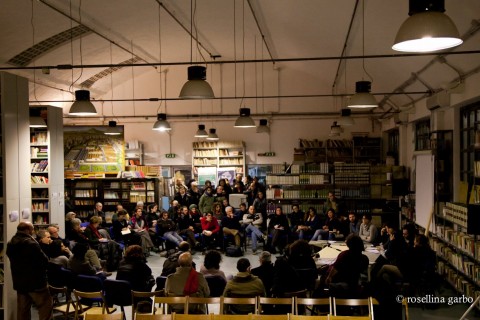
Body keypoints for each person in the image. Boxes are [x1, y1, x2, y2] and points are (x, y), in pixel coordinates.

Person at [6, 221, 53, 320]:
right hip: (36, 283)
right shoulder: (31, 243)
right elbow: (44, 260)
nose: (33, 232)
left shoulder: (11, 243)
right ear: (27, 230)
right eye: (32, 229)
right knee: (45, 308)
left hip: (20, 283)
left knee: (23, 311)